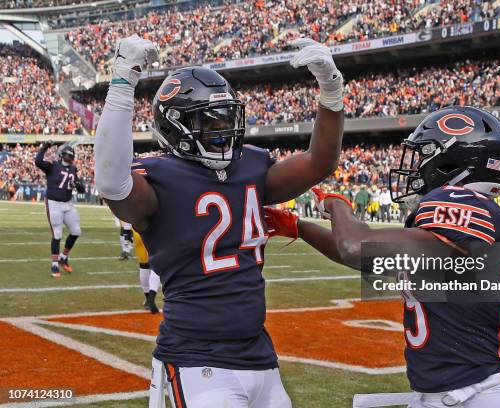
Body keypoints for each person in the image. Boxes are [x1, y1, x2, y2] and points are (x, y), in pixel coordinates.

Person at [94, 35, 344, 408]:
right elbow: (112, 183)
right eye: (209, 122)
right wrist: (122, 82)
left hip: (259, 355)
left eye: (227, 117)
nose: (223, 129)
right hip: (196, 359)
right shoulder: (160, 178)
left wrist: (331, 90)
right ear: (176, 125)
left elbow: (318, 163)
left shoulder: (249, 166)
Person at [266, 107, 500, 407]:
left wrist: (339, 206)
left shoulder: (466, 203)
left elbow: (357, 247)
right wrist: (297, 226)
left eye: (424, 155)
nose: (417, 165)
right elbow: (368, 257)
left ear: (453, 160)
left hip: (481, 394)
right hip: (443, 393)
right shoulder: (458, 228)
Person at [35, 141, 85, 278]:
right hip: (54, 203)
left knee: (76, 231)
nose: (71, 157)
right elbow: (38, 162)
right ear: (62, 155)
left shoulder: (74, 169)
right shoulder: (53, 166)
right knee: (57, 234)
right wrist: (45, 147)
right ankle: (54, 264)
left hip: (68, 203)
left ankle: (64, 257)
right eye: (69, 155)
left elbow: (82, 189)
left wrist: (78, 185)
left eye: (72, 155)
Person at [133, 228, 161, 314]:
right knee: (157, 264)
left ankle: (147, 300)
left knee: (143, 266)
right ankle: (151, 299)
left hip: (136, 229)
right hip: (153, 229)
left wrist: (125, 231)